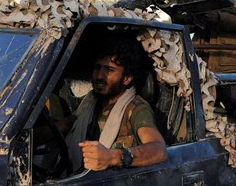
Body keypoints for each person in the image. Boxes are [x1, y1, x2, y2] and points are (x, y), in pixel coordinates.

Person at [65, 40, 167, 173]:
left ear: (127, 78)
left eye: (110, 70)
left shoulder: (136, 108)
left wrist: (112, 157)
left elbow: (159, 150)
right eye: (97, 68)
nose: (100, 76)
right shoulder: (91, 102)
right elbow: (69, 123)